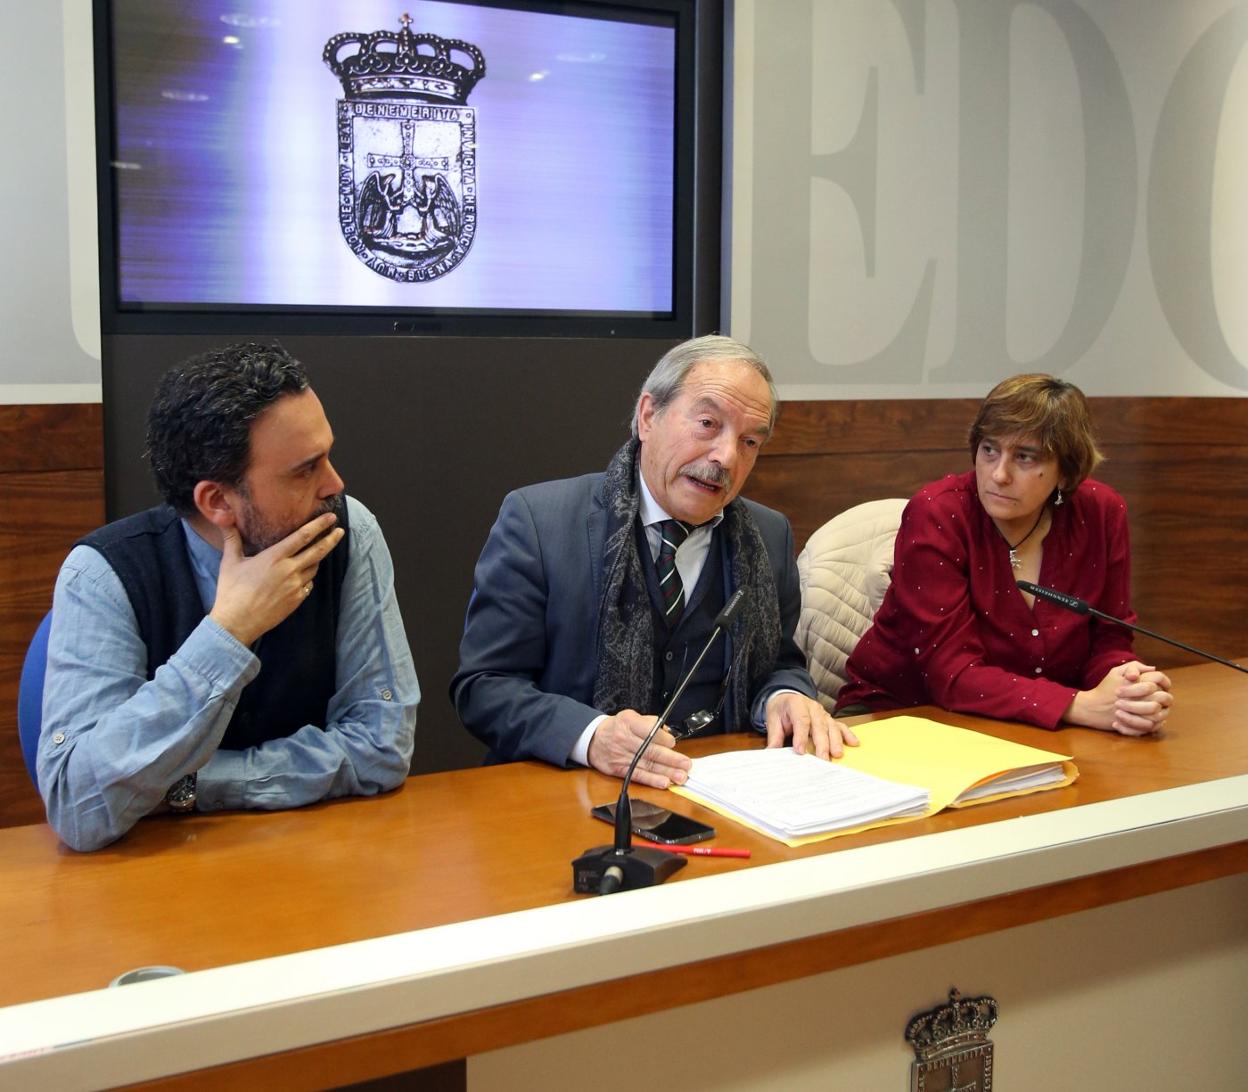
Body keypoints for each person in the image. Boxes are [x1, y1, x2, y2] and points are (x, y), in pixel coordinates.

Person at [38, 343, 419, 851]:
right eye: (305, 469)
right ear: (217, 501)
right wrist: (229, 632)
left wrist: (189, 786)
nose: (335, 483)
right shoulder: (103, 574)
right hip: (152, 885)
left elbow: (382, 745)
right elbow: (77, 804)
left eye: (327, 454)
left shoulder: (345, 532)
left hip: (316, 857)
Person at [452, 335, 856, 789]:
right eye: (707, 423)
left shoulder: (769, 535)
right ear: (648, 416)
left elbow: (781, 663)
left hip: (725, 793)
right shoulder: (541, 522)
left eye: (749, 442)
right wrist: (591, 737)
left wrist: (784, 696)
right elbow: (485, 687)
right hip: (569, 794)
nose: (726, 456)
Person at [836, 373, 1173, 735]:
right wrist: (1078, 705)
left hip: (1031, 728)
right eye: (990, 450)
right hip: (902, 715)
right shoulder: (937, 514)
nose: (998, 474)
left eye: (1025, 457)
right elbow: (950, 673)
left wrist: (1128, 688)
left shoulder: (1101, 513)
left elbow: (1109, 638)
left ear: (1066, 472)